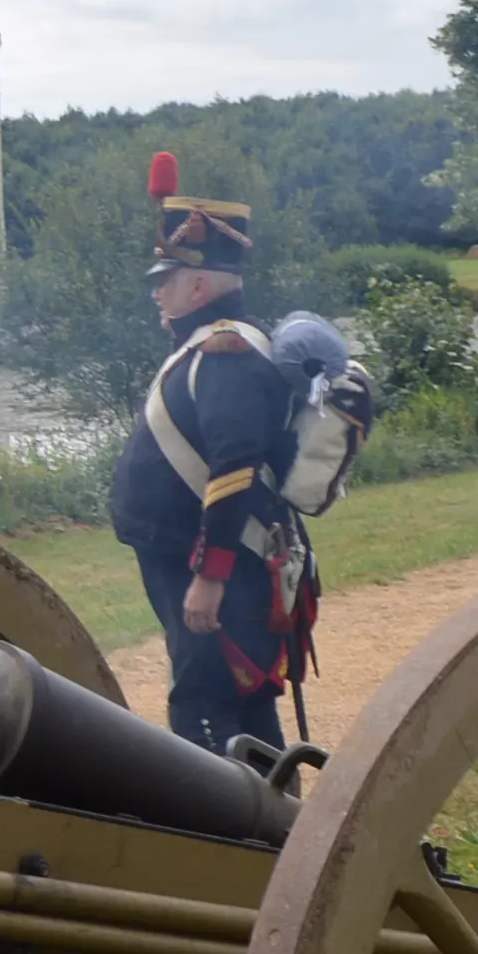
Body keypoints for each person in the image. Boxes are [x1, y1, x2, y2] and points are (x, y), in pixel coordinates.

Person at [108, 154, 372, 758]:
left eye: (164, 279)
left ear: (198, 284)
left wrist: (209, 576)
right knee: (238, 710)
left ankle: (248, 843)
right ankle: (274, 838)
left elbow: (234, 468)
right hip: (213, 564)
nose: (157, 292)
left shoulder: (226, 355)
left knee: (207, 712)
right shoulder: (215, 346)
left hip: (218, 572)